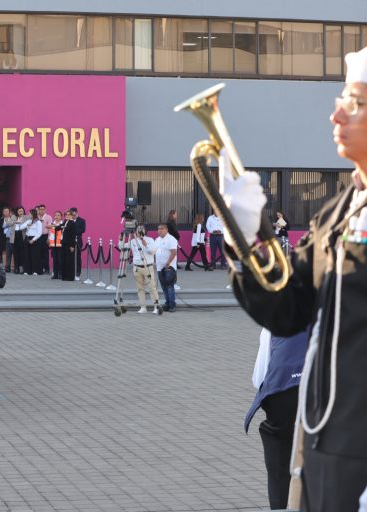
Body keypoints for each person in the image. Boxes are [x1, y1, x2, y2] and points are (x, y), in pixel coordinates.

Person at [219, 47, 367, 510]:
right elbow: (286, 310)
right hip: (327, 450)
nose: (337, 112)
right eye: (342, 96)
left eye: (357, 101)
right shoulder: (340, 212)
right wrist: (244, 241)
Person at [245, 328, 307, 511]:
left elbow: (259, 378)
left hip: (284, 391)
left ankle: (279, 506)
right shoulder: (333, 311)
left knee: (277, 438)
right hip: (324, 389)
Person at [121, 226, 160, 313]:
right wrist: (121, 239)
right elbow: (122, 247)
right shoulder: (133, 241)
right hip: (137, 267)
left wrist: (145, 245)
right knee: (140, 288)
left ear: (145, 231)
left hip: (147, 267)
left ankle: (156, 306)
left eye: (141, 230)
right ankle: (143, 307)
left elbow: (153, 251)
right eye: (137, 230)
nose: (139, 231)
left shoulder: (150, 240)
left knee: (152, 287)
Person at [153, 224, 178, 312]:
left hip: (169, 267)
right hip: (160, 267)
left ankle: (172, 305)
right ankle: (167, 303)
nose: (159, 230)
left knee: (169, 286)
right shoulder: (157, 240)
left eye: (161, 229)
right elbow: (154, 251)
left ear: (166, 229)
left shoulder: (171, 239)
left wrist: (168, 262)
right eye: (158, 229)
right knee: (163, 286)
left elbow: (173, 252)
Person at [22, 208, 43, 275]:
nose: (29, 215)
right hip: (28, 238)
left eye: (30, 214)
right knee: (27, 255)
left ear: (33, 214)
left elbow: (39, 232)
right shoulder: (29, 221)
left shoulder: (38, 222)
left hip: (35, 239)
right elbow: (21, 227)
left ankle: (35, 270)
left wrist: (33, 240)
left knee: (35, 255)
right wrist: (26, 225)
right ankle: (27, 270)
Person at [61, 210, 77, 281]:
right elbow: (60, 227)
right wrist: (53, 226)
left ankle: (70, 277)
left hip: (69, 244)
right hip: (64, 243)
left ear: (71, 215)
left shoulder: (72, 223)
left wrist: (72, 246)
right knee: (64, 260)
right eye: (66, 214)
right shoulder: (65, 222)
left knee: (69, 261)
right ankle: (65, 276)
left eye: (68, 214)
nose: (67, 216)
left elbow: (73, 235)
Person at [71, 207, 86, 280]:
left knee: (77, 257)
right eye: (71, 214)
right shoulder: (68, 220)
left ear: (76, 213)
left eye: (73, 214)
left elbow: (82, 230)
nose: (72, 216)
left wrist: (73, 230)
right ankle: (71, 272)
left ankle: (77, 272)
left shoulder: (82, 220)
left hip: (78, 241)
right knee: (70, 257)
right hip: (69, 241)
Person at [48, 211, 63, 279]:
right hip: (53, 244)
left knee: (60, 259)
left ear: (61, 217)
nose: (57, 217)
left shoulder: (62, 224)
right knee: (55, 260)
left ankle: (60, 273)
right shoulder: (52, 224)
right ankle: (55, 273)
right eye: (56, 215)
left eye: (58, 215)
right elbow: (51, 233)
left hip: (60, 244)